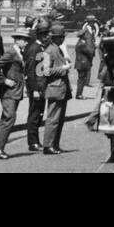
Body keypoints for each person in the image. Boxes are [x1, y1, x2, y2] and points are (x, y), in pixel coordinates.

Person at [0, 31, 29, 159]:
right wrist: (4, 80)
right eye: (24, 39)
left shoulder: (19, 52)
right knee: (9, 118)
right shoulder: (11, 53)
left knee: (8, 119)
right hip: (8, 92)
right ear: (17, 40)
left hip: (15, 91)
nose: (26, 42)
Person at [40, 23, 73, 154]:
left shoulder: (57, 49)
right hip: (55, 88)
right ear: (56, 37)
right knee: (53, 119)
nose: (63, 39)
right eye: (61, 36)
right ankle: (48, 145)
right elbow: (45, 71)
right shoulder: (49, 51)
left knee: (59, 119)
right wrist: (63, 68)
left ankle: (54, 144)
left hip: (61, 89)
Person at [22, 20, 48, 152]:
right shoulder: (35, 48)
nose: (47, 37)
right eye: (45, 34)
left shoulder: (40, 47)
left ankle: (35, 141)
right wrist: (35, 90)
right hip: (36, 87)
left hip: (41, 86)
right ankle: (33, 142)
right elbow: (31, 70)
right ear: (40, 35)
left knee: (38, 114)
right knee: (34, 115)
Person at [74, 16, 97, 99]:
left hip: (85, 61)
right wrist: (92, 51)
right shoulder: (81, 43)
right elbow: (88, 50)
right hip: (82, 62)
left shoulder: (90, 31)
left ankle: (80, 94)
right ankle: (79, 95)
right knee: (81, 78)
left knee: (83, 78)